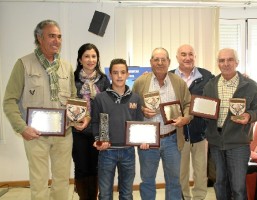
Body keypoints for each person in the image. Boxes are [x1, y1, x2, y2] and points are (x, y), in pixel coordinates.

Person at [3, 19, 90, 200]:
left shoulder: (66, 66)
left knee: (62, 181)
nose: (56, 40)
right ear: (39, 38)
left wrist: (83, 117)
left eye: (59, 37)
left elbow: (74, 99)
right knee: (39, 181)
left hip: (64, 134)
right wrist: (22, 128)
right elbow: (9, 101)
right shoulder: (24, 64)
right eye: (51, 36)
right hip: (36, 135)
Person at [203, 48, 257, 200]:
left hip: (238, 143)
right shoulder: (210, 85)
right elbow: (205, 109)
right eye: (221, 60)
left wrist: (249, 116)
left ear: (237, 62)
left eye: (230, 59)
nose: (225, 64)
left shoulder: (250, 85)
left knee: (238, 188)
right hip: (216, 143)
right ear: (218, 63)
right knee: (220, 184)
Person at [132, 47, 193, 200]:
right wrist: (141, 110)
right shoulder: (140, 82)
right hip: (148, 140)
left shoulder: (178, 82)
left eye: (163, 59)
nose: (160, 63)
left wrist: (185, 119)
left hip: (172, 139)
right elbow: (132, 106)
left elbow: (188, 105)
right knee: (147, 181)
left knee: (174, 181)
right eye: (156, 59)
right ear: (151, 62)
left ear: (169, 62)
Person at [91, 58, 144, 200]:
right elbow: (95, 122)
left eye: (122, 72)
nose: (119, 76)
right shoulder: (100, 98)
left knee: (127, 194)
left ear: (127, 74)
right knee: (105, 194)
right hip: (107, 152)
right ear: (110, 75)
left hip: (128, 151)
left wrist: (143, 140)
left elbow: (139, 123)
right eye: (115, 73)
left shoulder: (136, 98)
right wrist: (99, 140)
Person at [170, 44, 214, 200]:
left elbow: (218, 95)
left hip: (200, 133)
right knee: (180, 172)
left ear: (195, 57)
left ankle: (199, 197)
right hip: (177, 133)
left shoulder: (207, 76)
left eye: (190, 54)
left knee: (201, 171)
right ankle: (184, 197)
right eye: (183, 54)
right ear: (177, 57)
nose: (187, 58)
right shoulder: (169, 77)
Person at [72, 43, 110, 200]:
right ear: (80, 59)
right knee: (81, 168)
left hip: (98, 131)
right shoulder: (73, 79)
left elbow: (107, 107)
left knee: (96, 168)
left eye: (94, 56)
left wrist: (104, 133)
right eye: (86, 56)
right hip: (78, 131)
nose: (90, 59)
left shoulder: (103, 80)